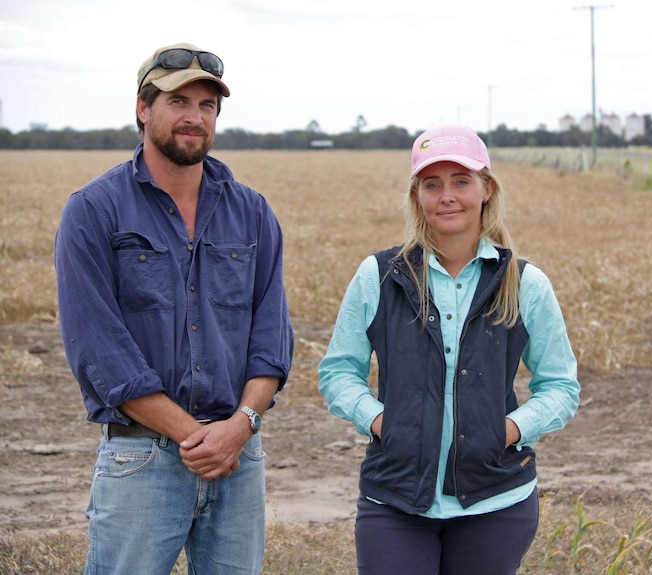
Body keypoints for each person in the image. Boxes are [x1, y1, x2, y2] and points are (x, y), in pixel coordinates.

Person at [54, 43, 293, 575]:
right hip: (143, 461)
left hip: (239, 456)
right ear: (144, 108)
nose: (194, 117)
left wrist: (239, 428)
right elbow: (99, 349)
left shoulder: (251, 212)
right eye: (178, 101)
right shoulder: (94, 210)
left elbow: (271, 339)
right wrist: (196, 436)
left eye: (207, 105)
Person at [318, 125, 580, 575]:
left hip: (497, 500)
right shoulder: (379, 275)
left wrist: (507, 431)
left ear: (486, 189)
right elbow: (339, 371)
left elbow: (560, 387)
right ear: (416, 194)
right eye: (432, 184)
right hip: (395, 499)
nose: (447, 196)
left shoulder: (524, 282)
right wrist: (382, 421)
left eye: (462, 181)